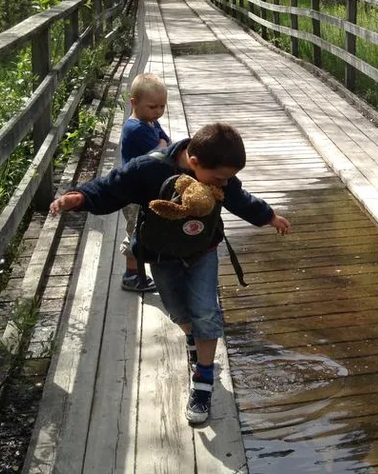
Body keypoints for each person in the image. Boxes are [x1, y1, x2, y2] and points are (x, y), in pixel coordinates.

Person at [49, 122, 292, 424]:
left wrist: (269, 217)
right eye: (220, 178)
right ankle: (192, 336)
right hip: (161, 255)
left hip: (203, 251)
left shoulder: (221, 175)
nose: (225, 183)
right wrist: (81, 197)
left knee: (206, 312)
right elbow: (112, 187)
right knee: (179, 312)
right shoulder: (149, 168)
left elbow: (241, 200)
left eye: (228, 178)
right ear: (193, 162)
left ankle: (203, 382)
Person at [119, 72, 171, 294]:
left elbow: (165, 144)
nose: (158, 112)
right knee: (136, 232)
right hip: (133, 192)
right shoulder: (136, 128)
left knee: (141, 230)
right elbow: (162, 151)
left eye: (162, 106)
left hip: (143, 188)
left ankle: (138, 271)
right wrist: (161, 146)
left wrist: (162, 145)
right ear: (134, 103)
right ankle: (133, 275)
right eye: (153, 107)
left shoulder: (149, 121)